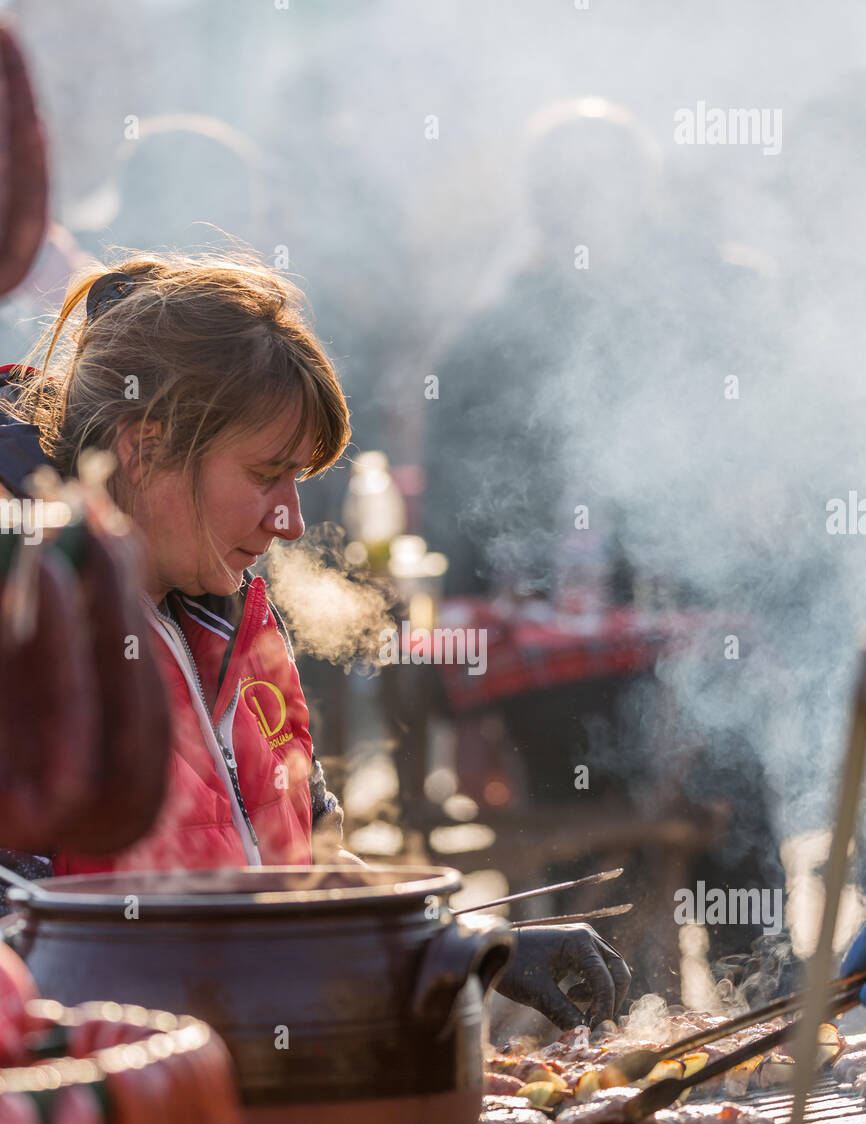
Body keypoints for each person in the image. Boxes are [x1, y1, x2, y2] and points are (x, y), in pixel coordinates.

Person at [0, 250, 630, 1030]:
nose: (290, 520)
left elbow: (310, 876)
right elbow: (26, 959)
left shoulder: (233, 617)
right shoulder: (24, 625)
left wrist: (477, 946)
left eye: (298, 479)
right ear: (144, 447)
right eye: (267, 475)